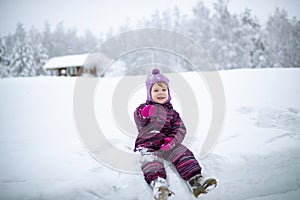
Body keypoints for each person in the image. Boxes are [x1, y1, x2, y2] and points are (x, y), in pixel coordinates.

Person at [133, 68, 217, 200]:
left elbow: (180, 129)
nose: (160, 93)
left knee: (183, 153)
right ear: (149, 93)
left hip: (168, 145)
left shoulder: (173, 114)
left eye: (163, 90)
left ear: (168, 92)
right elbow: (139, 121)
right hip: (148, 145)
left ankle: (196, 181)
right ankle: (159, 185)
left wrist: (171, 141)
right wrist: (143, 113)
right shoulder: (146, 109)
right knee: (151, 162)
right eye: (155, 90)